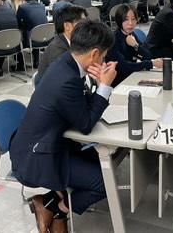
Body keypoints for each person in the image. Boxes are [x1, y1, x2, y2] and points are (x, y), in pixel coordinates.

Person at [10, 21, 117, 233]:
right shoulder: (67, 78)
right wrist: (105, 87)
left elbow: (81, 107)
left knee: (104, 161)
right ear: (95, 54)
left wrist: (97, 84)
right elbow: (85, 124)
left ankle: (47, 203)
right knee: (105, 183)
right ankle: (57, 210)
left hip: (50, 143)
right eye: (104, 56)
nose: (103, 61)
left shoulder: (66, 62)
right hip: (37, 156)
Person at [106, 4, 163, 86]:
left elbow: (148, 56)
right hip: (118, 82)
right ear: (119, 21)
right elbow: (124, 66)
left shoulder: (131, 34)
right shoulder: (113, 39)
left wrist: (136, 45)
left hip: (132, 75)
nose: (130, 23)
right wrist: (151, 63)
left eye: (133, 19)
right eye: (126, 20)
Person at [36, 5, 87, 80]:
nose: (87, 27)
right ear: (67, 26)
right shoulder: (57, 50)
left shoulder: (74, 42)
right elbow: (63, 80)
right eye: (82, 23)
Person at [18, 0, 48, 69]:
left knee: (17, 39)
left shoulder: (22, 7)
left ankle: (20, 64)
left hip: (31, 38)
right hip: (45, 38)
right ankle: (36, 62)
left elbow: (18, 22)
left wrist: (24, 25)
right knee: (35, 31)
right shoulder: (41, 6)